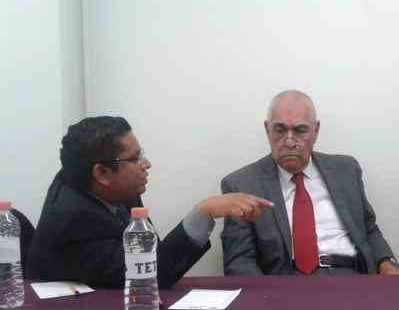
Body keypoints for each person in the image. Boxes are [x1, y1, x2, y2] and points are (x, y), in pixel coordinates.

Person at [28, 116, 272, 288]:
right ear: (101, 173)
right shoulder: (73, 220)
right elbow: (151, 274)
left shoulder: (110, 188)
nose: (146, 164)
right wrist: (204, 212)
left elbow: (153, 254)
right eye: (135, 159)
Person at [220, 90, 399, 275]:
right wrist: (264, 293)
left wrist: (387, 263)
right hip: (286, 282)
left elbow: (368, 229)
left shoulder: (346, 170)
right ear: (268, 130)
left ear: (315, 131)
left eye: (300, 130)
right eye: (280, 129)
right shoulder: (241, 185)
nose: (289, 141)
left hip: (350, 275)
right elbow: (239, 260)